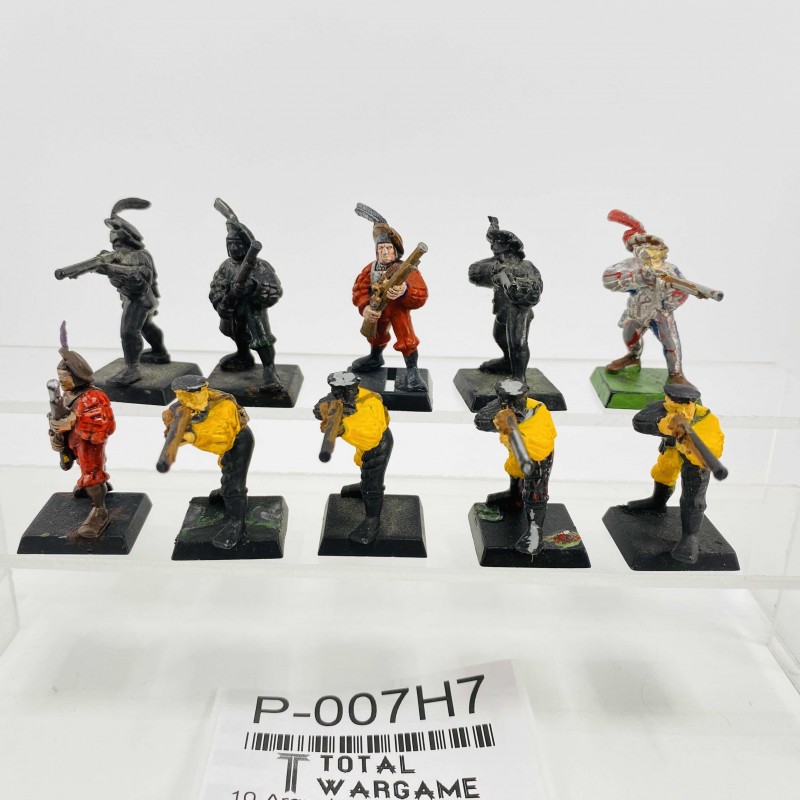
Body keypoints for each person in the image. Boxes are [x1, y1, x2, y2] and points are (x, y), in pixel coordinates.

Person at [626, 383, 724, 564]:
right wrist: (663, 425)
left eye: (685, 406)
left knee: (693, 498)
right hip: (671, 450)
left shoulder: (706, 419)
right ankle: (657, 501)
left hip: (696, 462)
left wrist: (688, 447)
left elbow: (714, 449)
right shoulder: (663, 408)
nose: (681, 410)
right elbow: (638, 421)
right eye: (675, 405)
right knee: (663, 472)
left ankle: (690, 538)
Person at [162, 375, 253, 549]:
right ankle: (225, 491)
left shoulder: (224, 405)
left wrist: (191, 436)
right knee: (225, 466)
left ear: (203, 391)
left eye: (191, 397)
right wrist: (172, 427)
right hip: (225, 444)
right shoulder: (183, 406)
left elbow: (222, 437)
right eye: (182, 397)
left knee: (235, 483)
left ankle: (237, 524)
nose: (186, 402)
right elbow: (174, 419)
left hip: (238, 440)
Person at [602, 209, 690, 385]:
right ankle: (633, 357)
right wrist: (638, 277)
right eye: (640, 247)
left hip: (660, 313)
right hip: (637, 311)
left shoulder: (670, 269)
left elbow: (683, 292)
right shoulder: (630, 265)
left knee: (670, 343)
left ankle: (676, 374)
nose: (645, 251)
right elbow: (608, 279)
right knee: (629, 335)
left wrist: (668, 295)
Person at [351, 203, 428, 391]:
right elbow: (359, 290)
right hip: (377, 310)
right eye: (381, 248)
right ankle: (375, 357)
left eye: (388, 248)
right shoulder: (370, 269)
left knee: (407, 339)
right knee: (376, 335)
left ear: (395, 251)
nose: (385, 252)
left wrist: (404, 291)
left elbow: (421, 294)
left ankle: (413, 372)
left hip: (398, 310)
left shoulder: (405, 270)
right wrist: (365, 307)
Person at [474, 379, 556, 556]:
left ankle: (535, 532)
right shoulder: (500, 406)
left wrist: (517, 430)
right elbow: (480, 421)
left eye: (517, 399)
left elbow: (542, 439)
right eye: (507, 400)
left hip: (539, 453)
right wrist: (498, 422)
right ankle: (515, 497)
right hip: (516, 451)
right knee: (514, 470)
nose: (513, 404)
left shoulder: (539, 410)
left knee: (536, 491)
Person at [209, 198, 283, 393]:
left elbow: (274, 289)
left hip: (252, 310)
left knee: (261, 338)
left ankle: (269, 370)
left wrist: (253, 287)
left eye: (237, 244)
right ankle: (243, 355)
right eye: (229, 244)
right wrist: (221, 301)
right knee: (236, 333)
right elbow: (216, 285)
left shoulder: (260, 266)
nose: (233, 248)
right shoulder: (226, 266)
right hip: (233, 309)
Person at [314, 371, 393, 544]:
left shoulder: (370, 403)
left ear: (354, 387)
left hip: (378, 445)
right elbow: (322, 404)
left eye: (344, 391)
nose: (340, 396)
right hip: (364, 446)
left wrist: (344, 428)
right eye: (336, 391)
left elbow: (371, 436)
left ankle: (372, 522)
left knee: (373, 483)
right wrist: (322, 410)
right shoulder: (338, 397)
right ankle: (363, 486)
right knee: (363, 467)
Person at [49, 335, 116, 538]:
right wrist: (55, 434)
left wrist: (73, 422)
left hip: (88, 442)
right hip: (74, 442)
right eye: (60, 378)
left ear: (77, 376)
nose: (62, 382)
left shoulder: (93, 397)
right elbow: (58, 417)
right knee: (83, 465)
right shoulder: (67, 395)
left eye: (65, 377)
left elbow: (102, 424)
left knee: (92, 472)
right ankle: (94, 487)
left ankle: (99, 511)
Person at [468, 216, 543, 381]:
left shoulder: (526, 266)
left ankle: (519, 377)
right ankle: (508, 362)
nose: (498, 255)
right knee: (499, 336)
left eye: (500, 251)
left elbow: (535, 289)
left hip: (519, 312)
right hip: (503, 311)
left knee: (518, 343)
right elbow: (474, 274)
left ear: (512, 251)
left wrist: (517, 287)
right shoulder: (498, 267)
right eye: (495, 252)